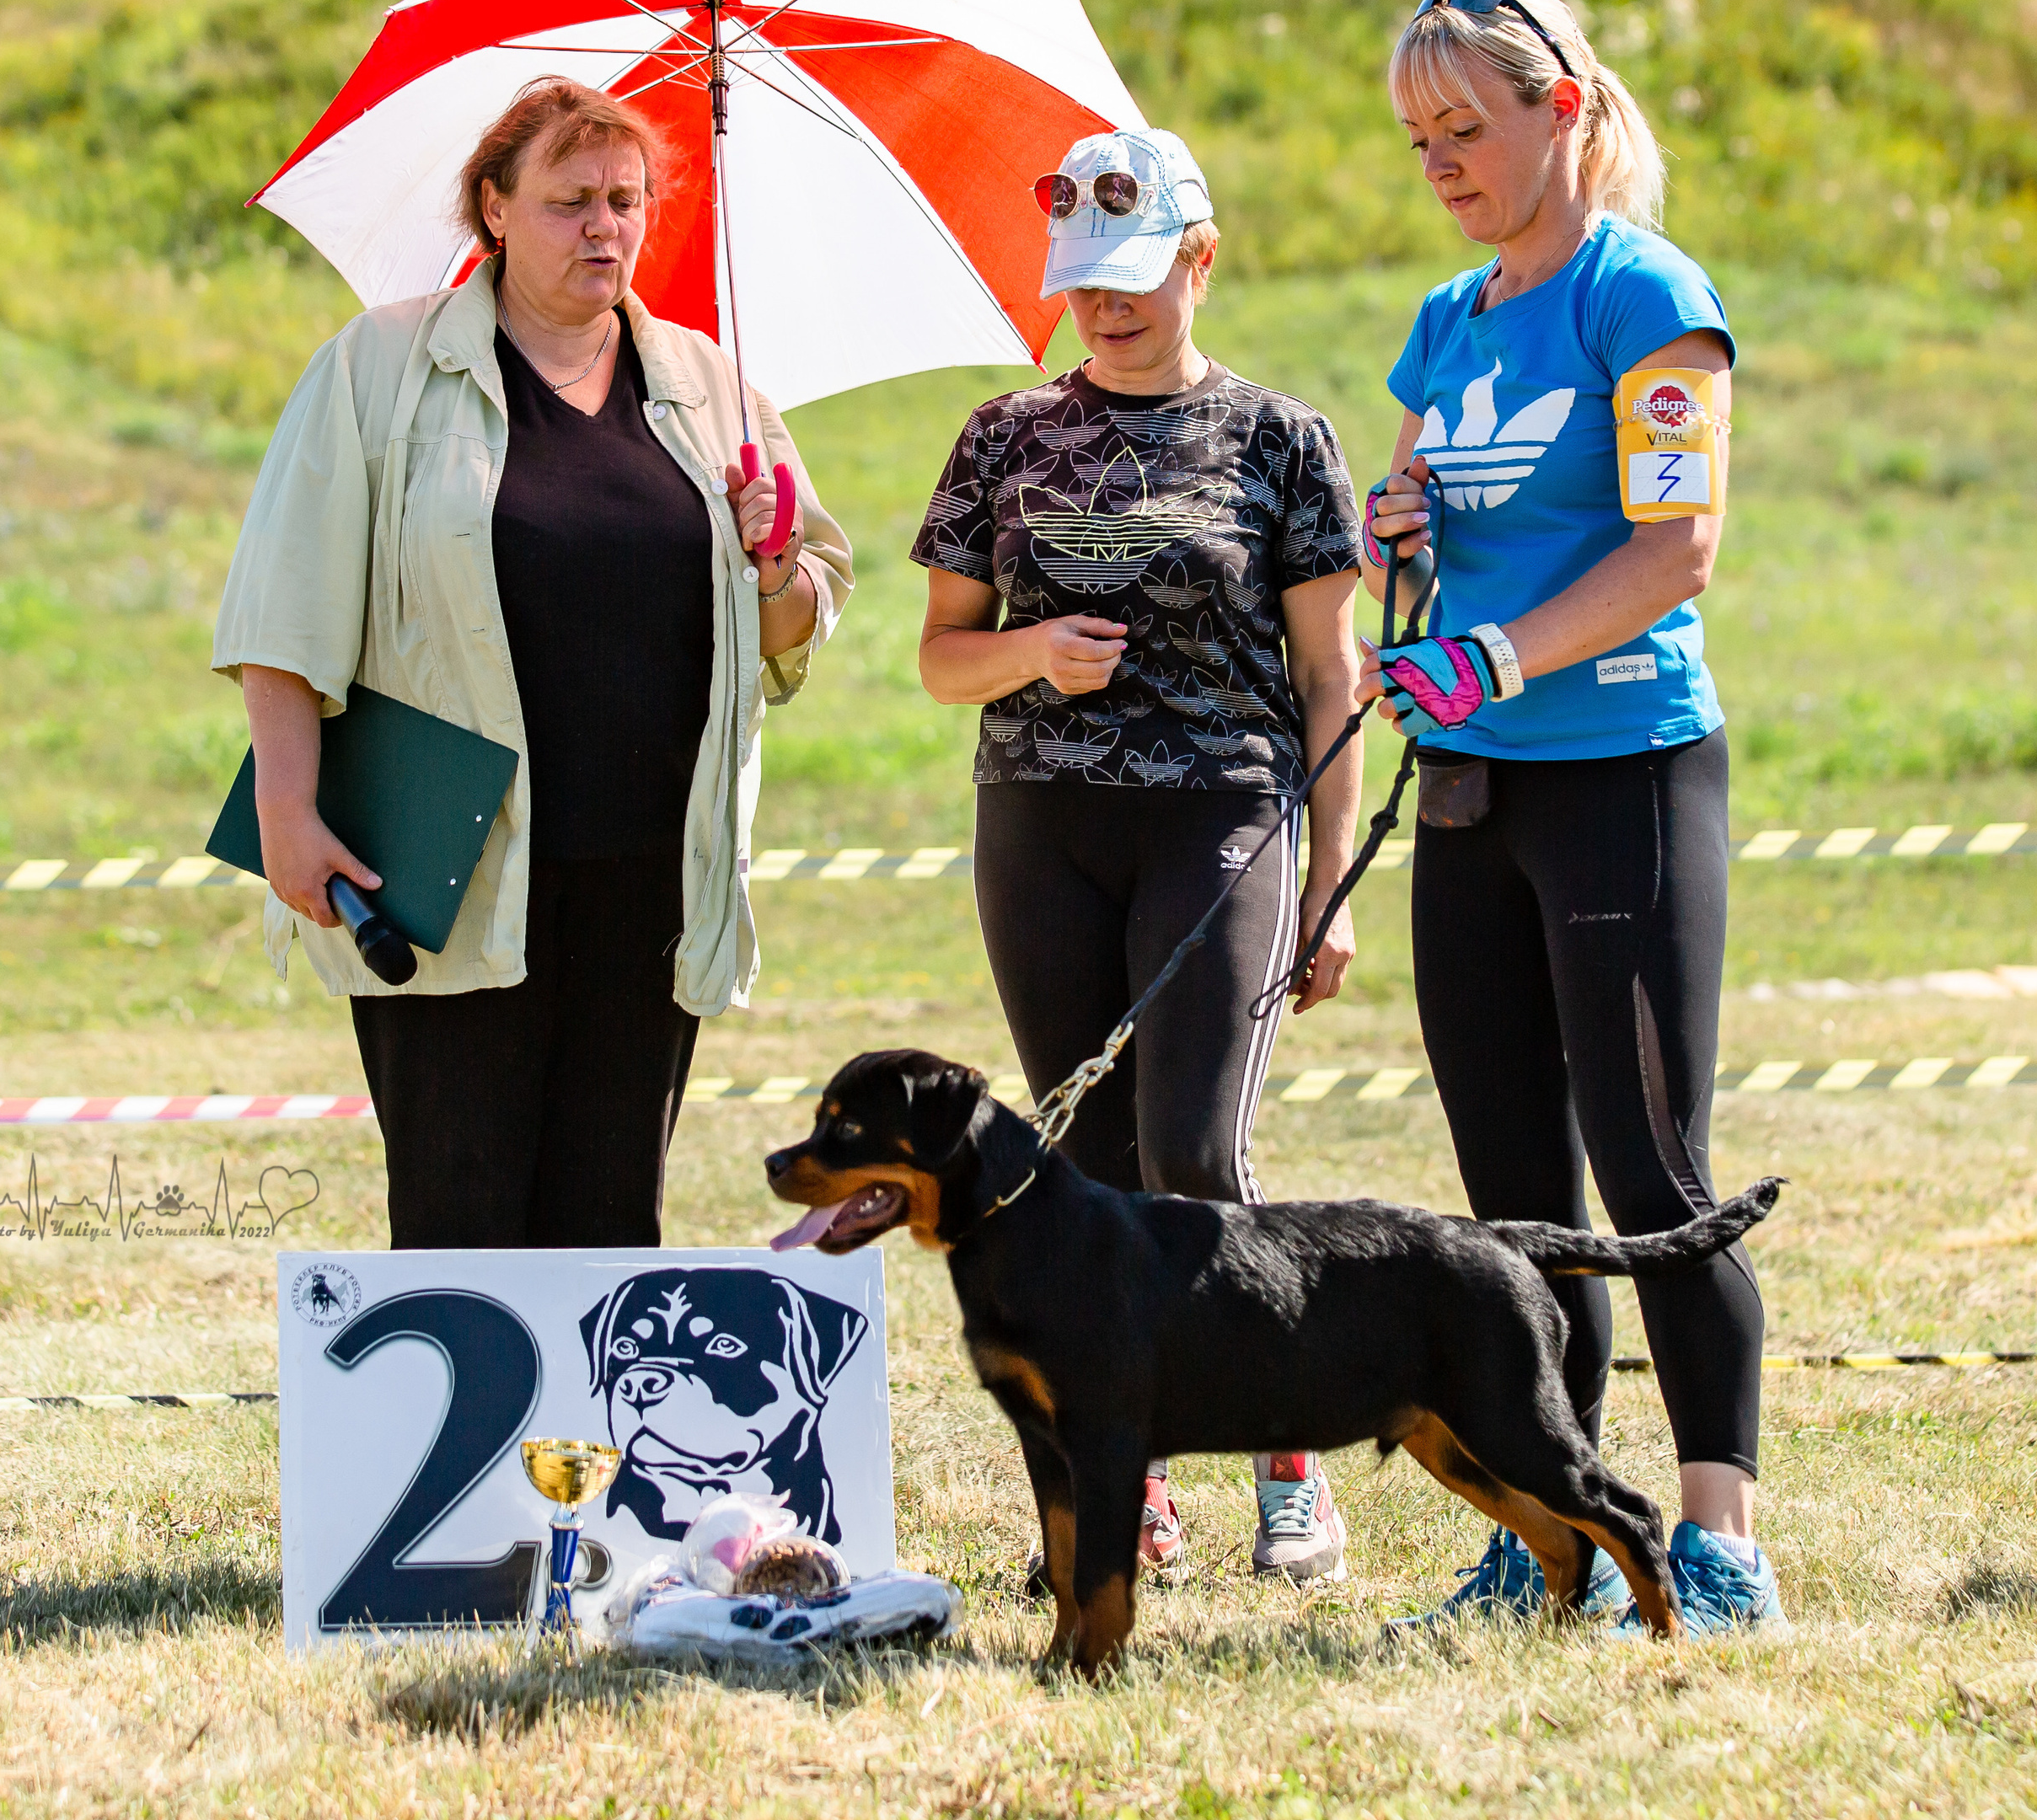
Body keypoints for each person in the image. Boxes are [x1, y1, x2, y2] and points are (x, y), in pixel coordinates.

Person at [212, 77, 852, 1250]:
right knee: (462, 1215)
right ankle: (480, 1439)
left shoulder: (716, 391)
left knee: (611, 1221)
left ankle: (584, 1448)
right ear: (494, 208)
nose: (604, 226)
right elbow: (283, 612)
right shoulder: (377, 369)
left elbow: (797, 628)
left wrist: (772, 563)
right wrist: (287, 808)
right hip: (447, 868)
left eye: (626, 199)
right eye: (569, 201)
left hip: (654, 875)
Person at [1359, 0, 1780, 1637]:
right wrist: (1401, 530)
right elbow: (1415, 514)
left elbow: (1676, 547)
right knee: (1508, 1186)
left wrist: (1500, 654)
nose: (1440, 162)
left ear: (1564, 113)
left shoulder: (1645, 295)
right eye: (1416, 139)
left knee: (1647, 1166)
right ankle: (1553, 1512)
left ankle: (1718, 1540)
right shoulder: (1446, 321)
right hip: (1474, 792)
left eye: (1466, 129)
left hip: (1621, 770)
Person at [914, 127, 1365, 1584]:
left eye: (1136, 278)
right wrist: (1032, 651)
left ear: (1200, 257)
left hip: (1224, 817)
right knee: (1082, 1171)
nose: (1105, 309)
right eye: (1082, 285)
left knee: (1191, 1153)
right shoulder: (1001, 437)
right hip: (1040, 825)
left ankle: (1292, 1464)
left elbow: (1329, 678)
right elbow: (940, 663)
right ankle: (1126, 1489)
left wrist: (1333, 877)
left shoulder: (1285, 440)